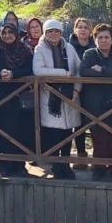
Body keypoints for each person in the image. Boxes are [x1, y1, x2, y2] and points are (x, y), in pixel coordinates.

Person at [79, 25, 112, 180]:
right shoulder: (89, 54)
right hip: (95, 100)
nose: (103, 41)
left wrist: (102, 70)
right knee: (98, 137)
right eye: (100, 38)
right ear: (95, 39)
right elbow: (84, 71)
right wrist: (110, 74)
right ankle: (99, 167)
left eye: (106, 37)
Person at [32, 19, 82, 180]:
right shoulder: (40, 49)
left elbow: (79, 70)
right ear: (45, 33)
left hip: (69, 97)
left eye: (57, 31)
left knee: (67, 133)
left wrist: (76, 90)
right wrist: (64, 73)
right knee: (53, 134)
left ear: (61, 33)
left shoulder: (69, 48)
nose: (54, 34)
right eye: (50, 31)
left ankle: (66, 164)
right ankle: (55, 165)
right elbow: (38, 70)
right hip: (51, 97)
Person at [0, 23, 35, 177]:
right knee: (5, 130)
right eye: (4, 33)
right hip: (3, 97)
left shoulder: (25, 50)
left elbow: (29, 69)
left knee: (22, 130)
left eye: (10, 32)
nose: (7, 35)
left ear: (15, 33)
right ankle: (6, 163)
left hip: (22, 96)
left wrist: (14, 73)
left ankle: (20, 164)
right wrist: (1, 72)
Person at [69, 17, 95, 166]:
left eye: (86, 27)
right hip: (74, 89)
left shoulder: (95, 47)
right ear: (75, 30)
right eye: (80, 27)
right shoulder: (68, 47)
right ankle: (81, 155)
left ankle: (99, 157)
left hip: (92, 89)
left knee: (94, 122)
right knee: (77, 124)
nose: (83, 29)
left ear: (90, 31)